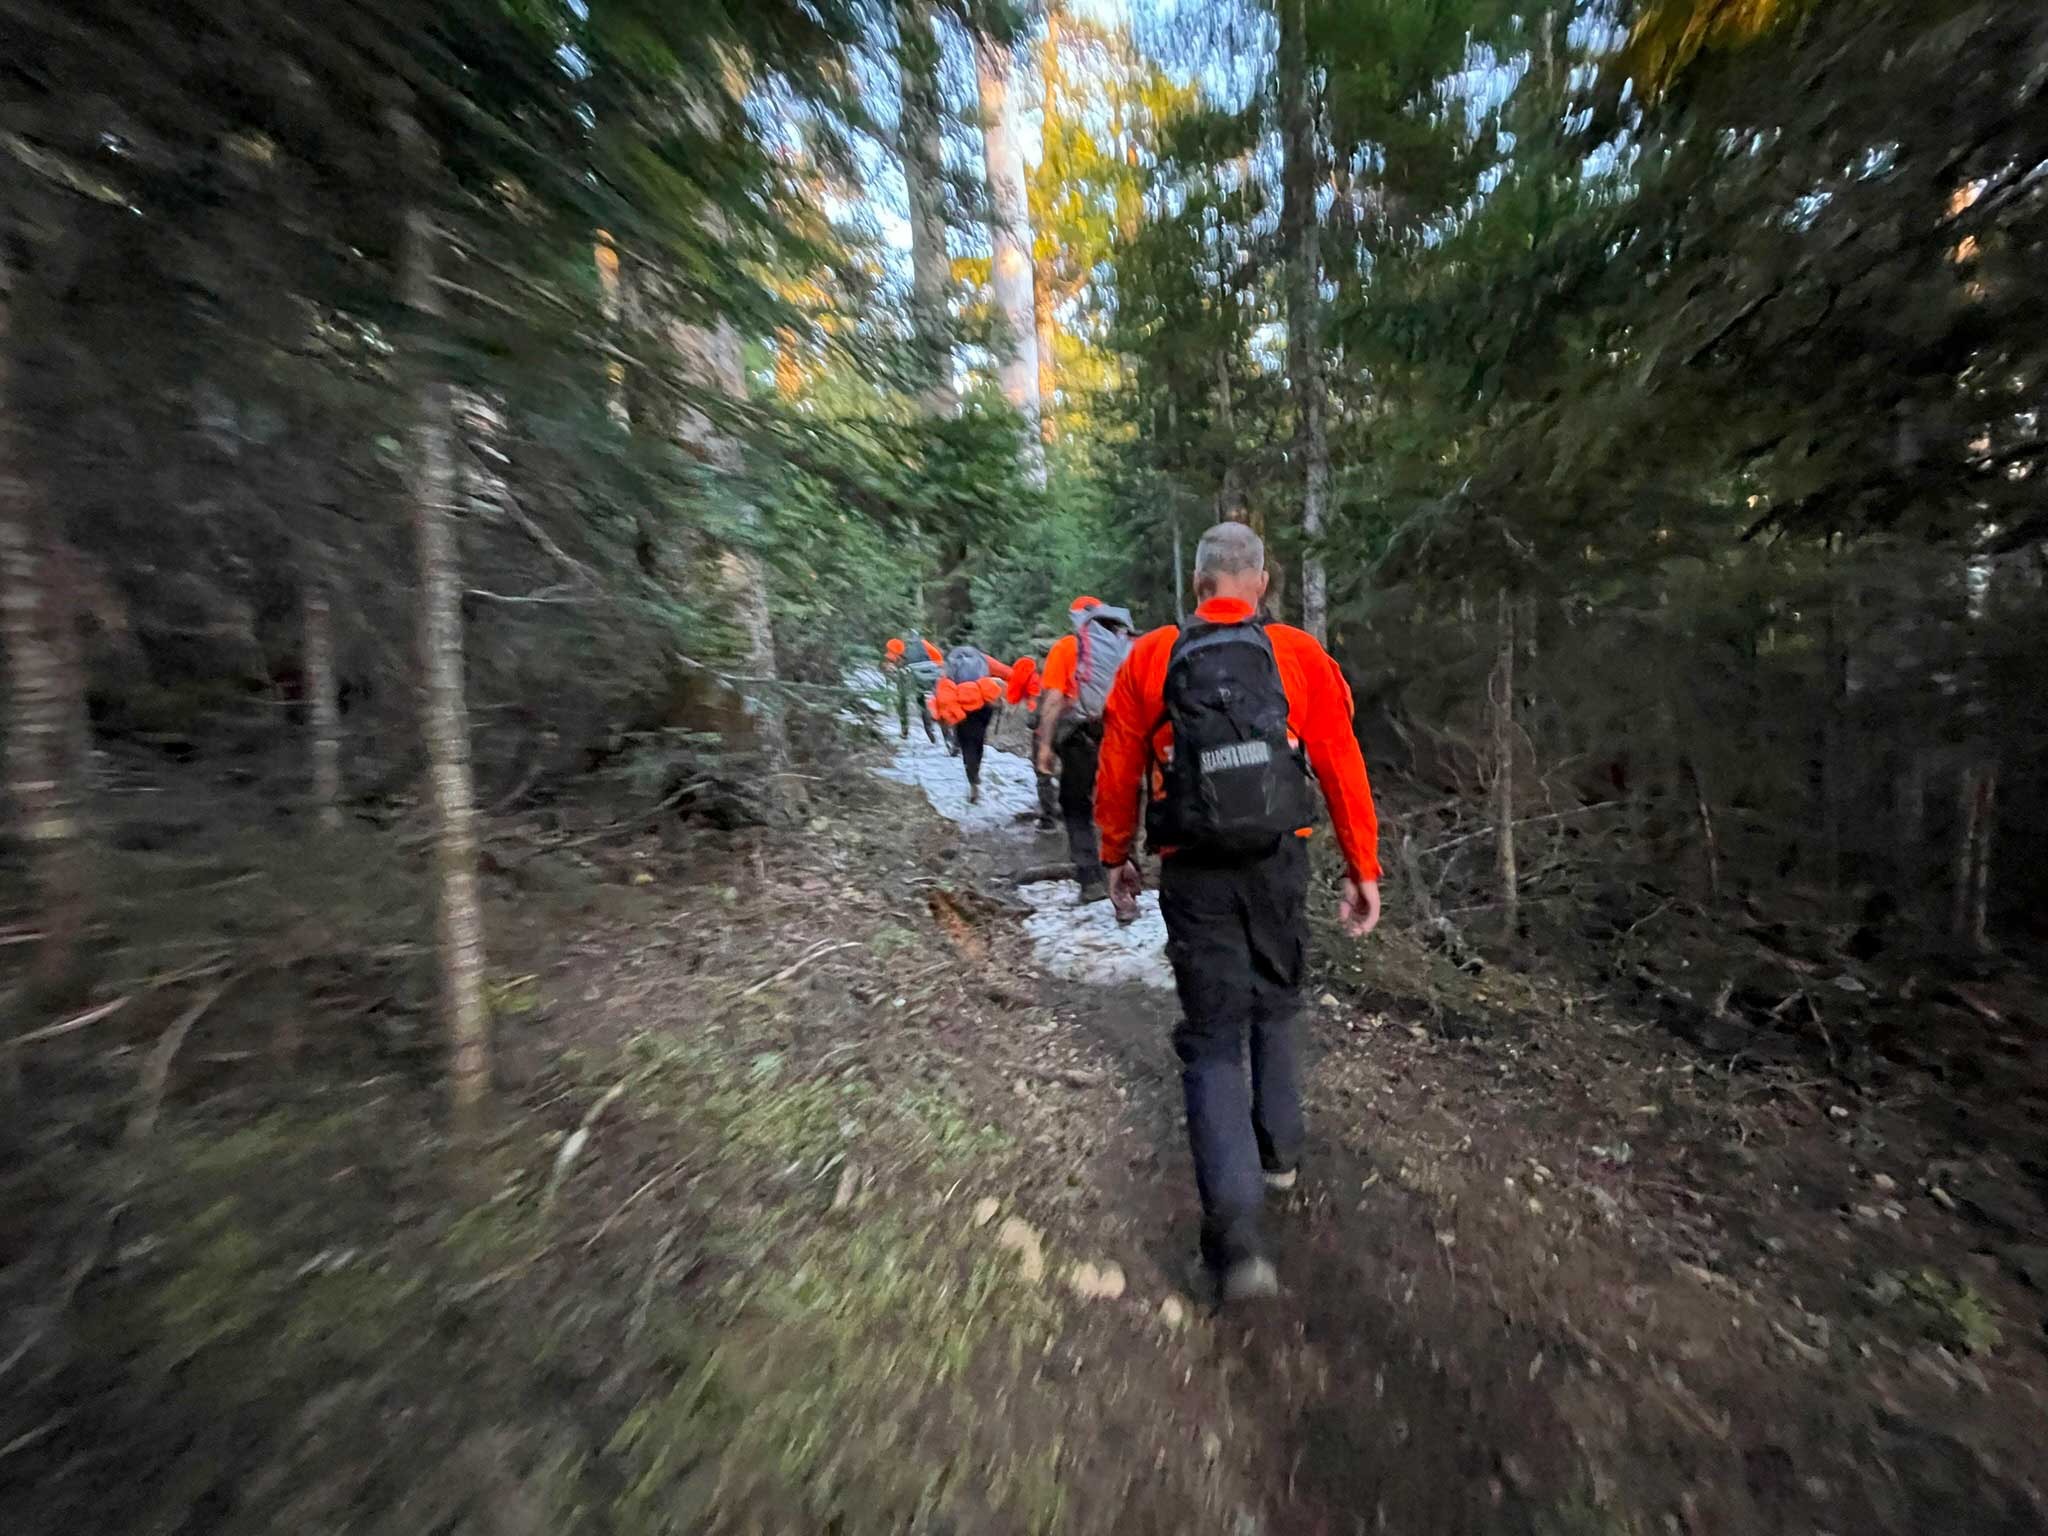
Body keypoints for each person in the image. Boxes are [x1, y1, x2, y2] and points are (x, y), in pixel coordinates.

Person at [1093, 522, 1382, 1302]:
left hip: (1194, 872)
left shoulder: (1151, 658)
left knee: (1215, 1040)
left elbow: (1118, 763)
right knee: (1278, 1001)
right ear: (1259, 581)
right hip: (1278, 862)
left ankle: (1237, 1248)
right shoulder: (1298, 655)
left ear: (1198, 584)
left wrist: (1116, 854)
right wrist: (1364, 866)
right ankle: (1280, 1153)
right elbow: (1339, 762)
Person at [1035, 596, 1136, 902]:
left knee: (1076, 804)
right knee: (1119, 803)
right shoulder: (1130, 646)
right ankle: (1128, 876)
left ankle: (1091, 879)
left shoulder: (1068, 647)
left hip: (1081, 737)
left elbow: (1053, 701)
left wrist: (1044, 747)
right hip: (1124, 736)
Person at [929, 645, 1012, 804]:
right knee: (978, 739)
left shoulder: (950, 663)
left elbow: (940, 687)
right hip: (984, 705)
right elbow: (1007, 673)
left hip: (962, 707)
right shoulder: (983, 659)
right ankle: (976, 771)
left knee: (967, 743)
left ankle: (972, 779)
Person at [1006, 644, 1058, 830]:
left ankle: (1048, 818)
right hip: (1070, 727)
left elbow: (1017, 695)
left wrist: (1013, 709)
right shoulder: (1070, 666)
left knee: (1043, 771)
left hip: (1043, 731)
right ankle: (1075, 811)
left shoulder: (1031, 669)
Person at [883, 632, 946, 745]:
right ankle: (930, 729)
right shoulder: (921, 644)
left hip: (921, 678)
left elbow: (902, 677)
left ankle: (905, 730)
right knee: (923, 701)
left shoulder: (906, 658)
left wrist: (893, 672)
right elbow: (938, 659)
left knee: (903, 699)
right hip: (933, 674)